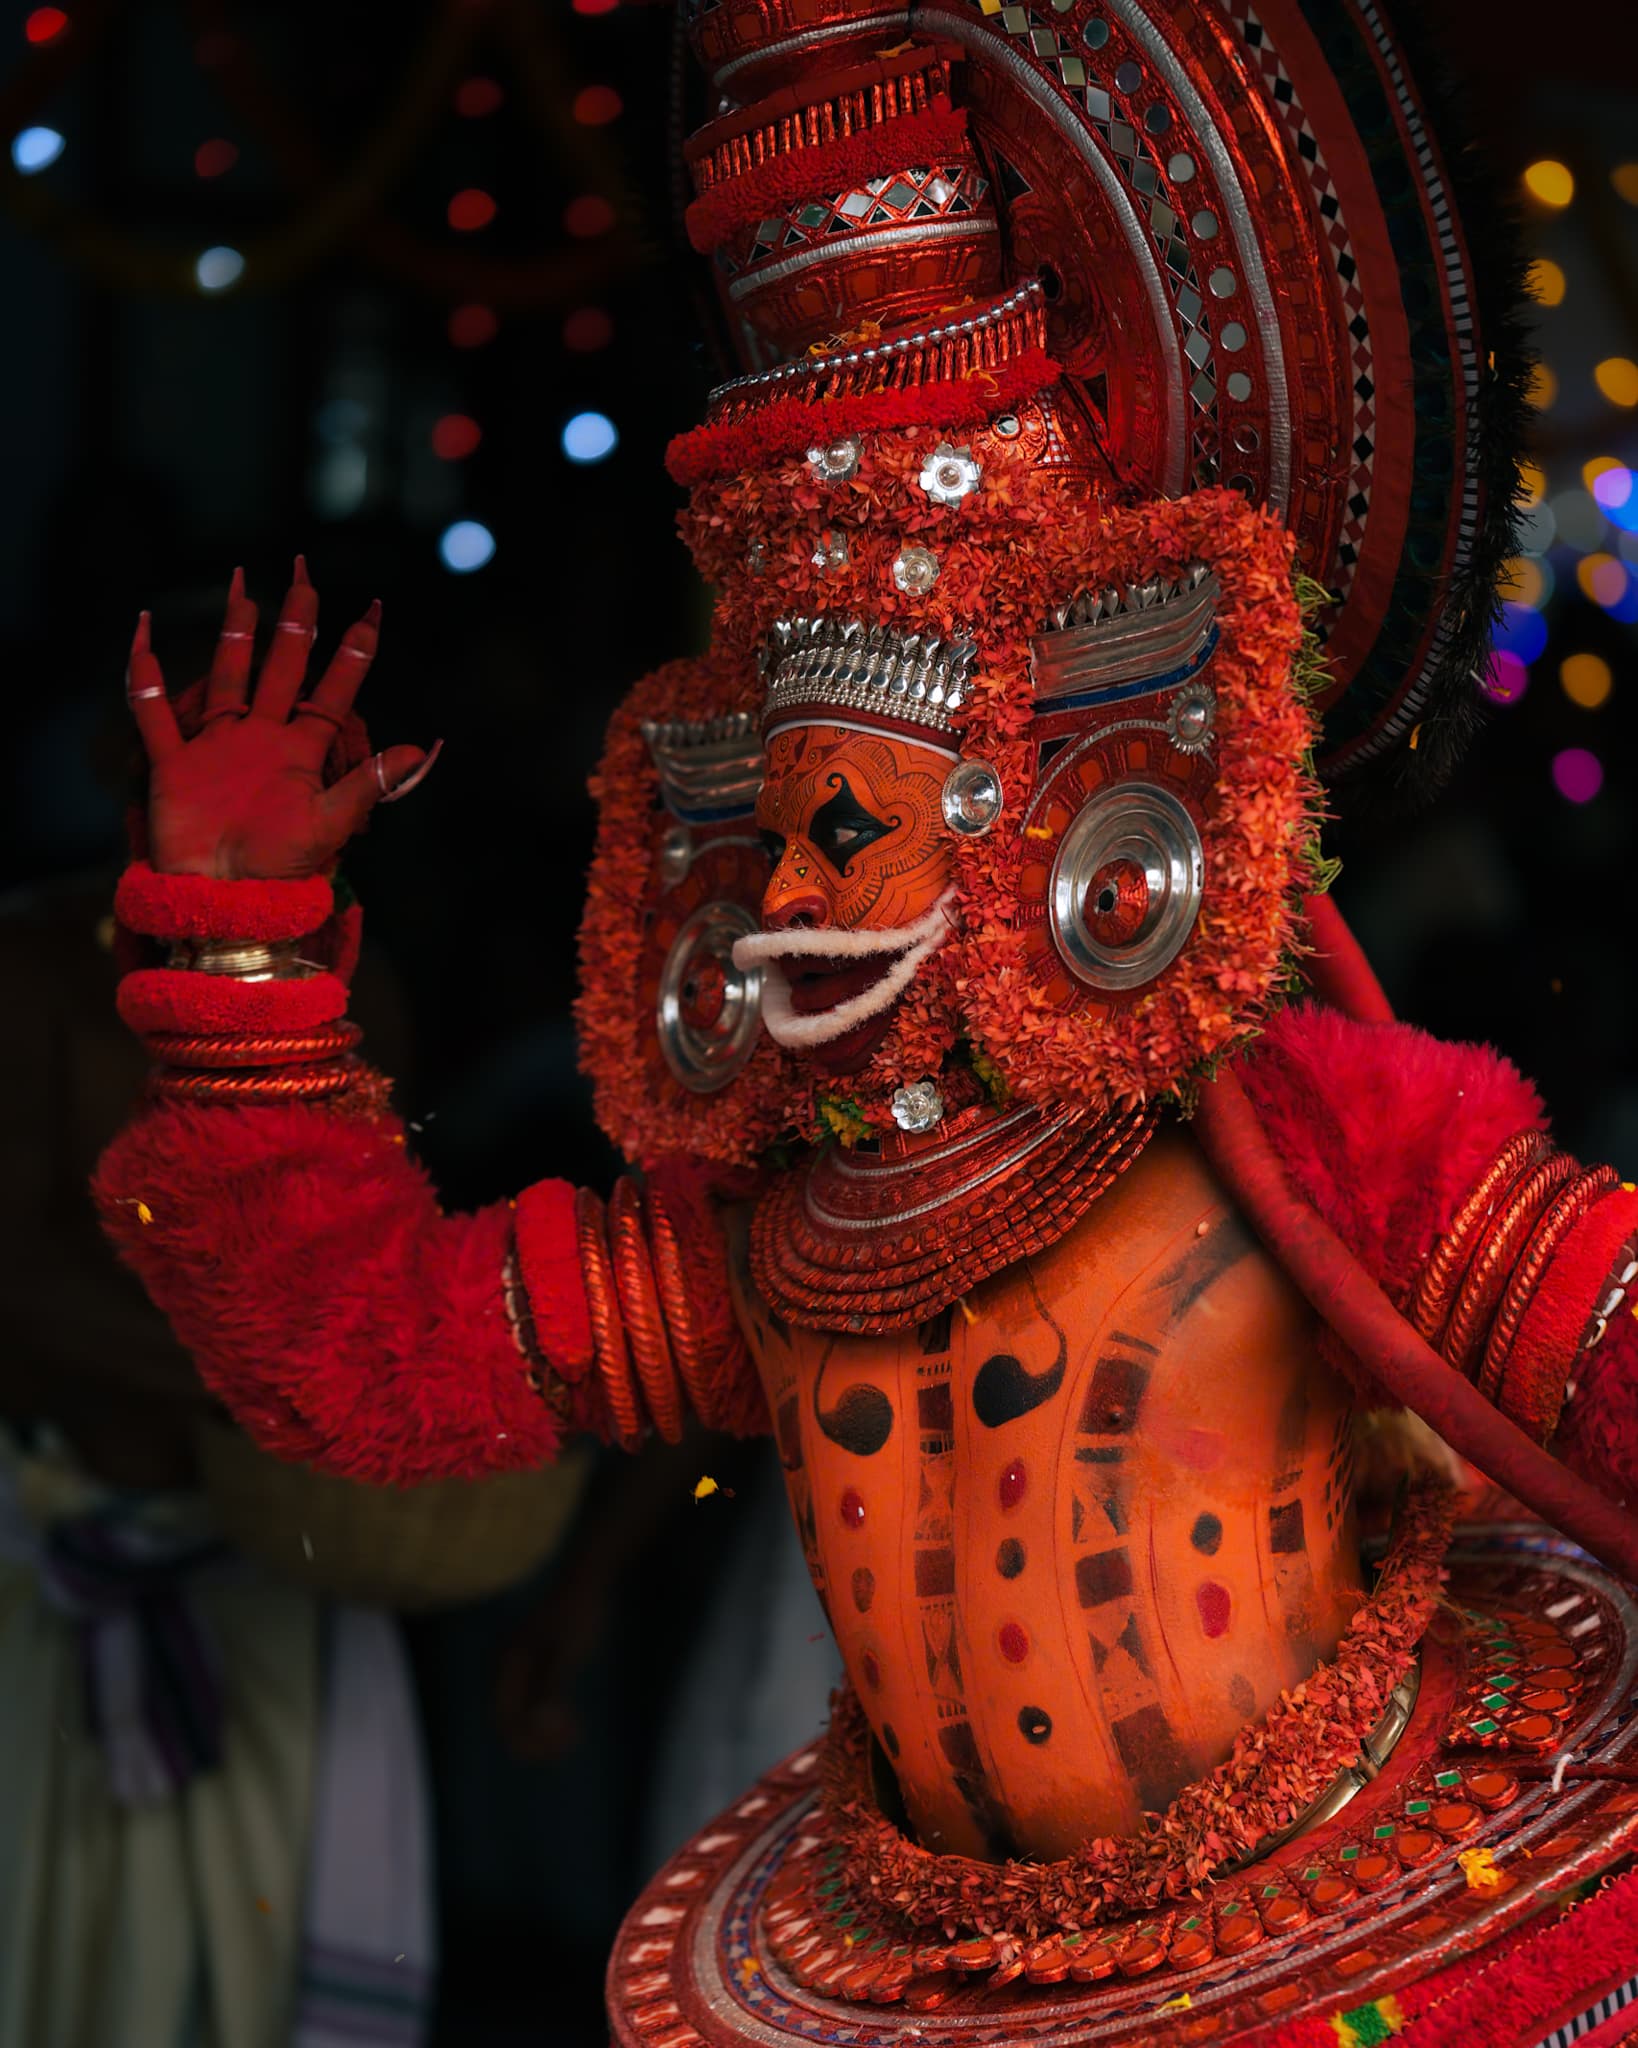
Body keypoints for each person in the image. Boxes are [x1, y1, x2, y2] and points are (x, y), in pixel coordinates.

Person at [94, 2, 1638, 2040]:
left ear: (1045, 794)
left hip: (1349, 1958)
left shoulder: (1303, 1133)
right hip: (942, 1985)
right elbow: (382, 1357)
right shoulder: (777, 1238)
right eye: (765, 836)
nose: (801, 898)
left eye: (846, 826)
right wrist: (243, 948)